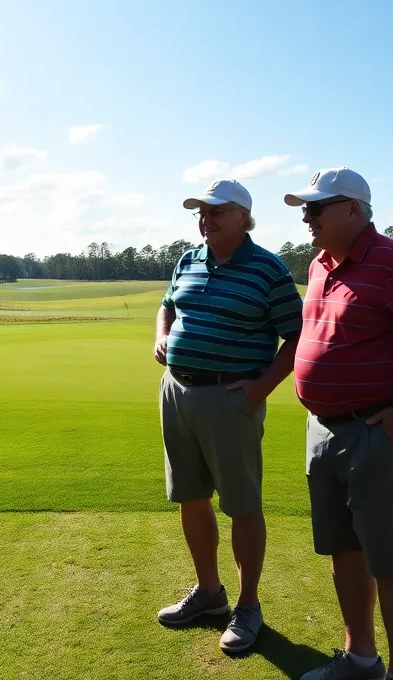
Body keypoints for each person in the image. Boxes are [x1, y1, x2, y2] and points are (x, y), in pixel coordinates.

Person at [282, 169, 393, 680]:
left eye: (316, 207)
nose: (307, 216)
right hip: (323, 430)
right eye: (305, 208)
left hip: (379, 433)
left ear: (353, 208)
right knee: (344, 553)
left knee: (390, 563)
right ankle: (361, 660)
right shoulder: (320, 263)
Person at [154, 178, 304, 655]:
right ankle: (210, 594)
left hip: (230, 397)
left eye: (216, 211)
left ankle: (248, 606)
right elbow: (167, 306)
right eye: (201, 210)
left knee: (241, 504)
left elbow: (297, 336)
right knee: (190, 497)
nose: (206, 218)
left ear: (243, 216)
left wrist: (261, 389)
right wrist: (161, 335)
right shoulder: (188, 258)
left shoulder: (267, 269)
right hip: (177, 390)